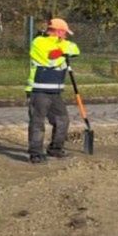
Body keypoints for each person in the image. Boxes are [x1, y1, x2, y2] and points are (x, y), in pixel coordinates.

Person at [25, 18, 81, 164]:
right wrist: (62, 53)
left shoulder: (62, 43)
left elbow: (75, 49)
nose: (66, 36)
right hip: (38, 89)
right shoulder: (38, 42)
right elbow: (48, 60)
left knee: (63, 120)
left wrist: (61, 51)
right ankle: (36, 153)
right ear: (59, 31)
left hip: (55, 91)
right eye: (65, 33)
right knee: (38, 122)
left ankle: (55, 148)